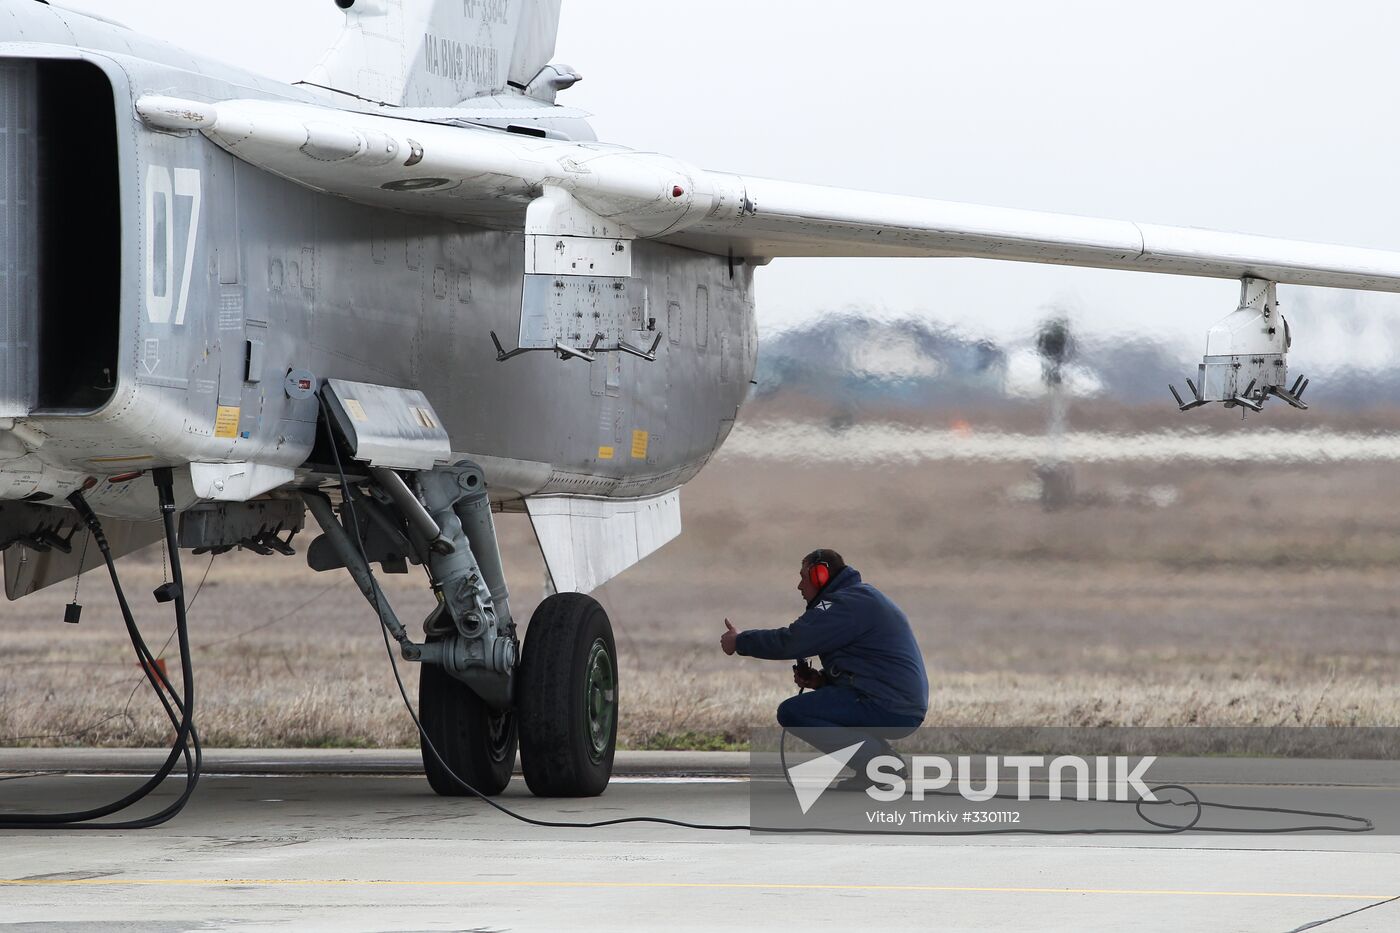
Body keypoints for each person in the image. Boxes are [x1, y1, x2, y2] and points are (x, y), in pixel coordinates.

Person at [720, 549, 929, 789]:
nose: (799, 586)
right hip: (895, 703)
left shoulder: (843, 603)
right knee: (813, 708)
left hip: (889, 706)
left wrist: (740, 641)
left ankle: (880, 764)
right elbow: (868, 668)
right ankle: (881, 766)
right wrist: (822, 681)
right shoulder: (858, 598)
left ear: (820, 575)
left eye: (803, 577)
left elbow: (791, 641)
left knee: (793, 712)